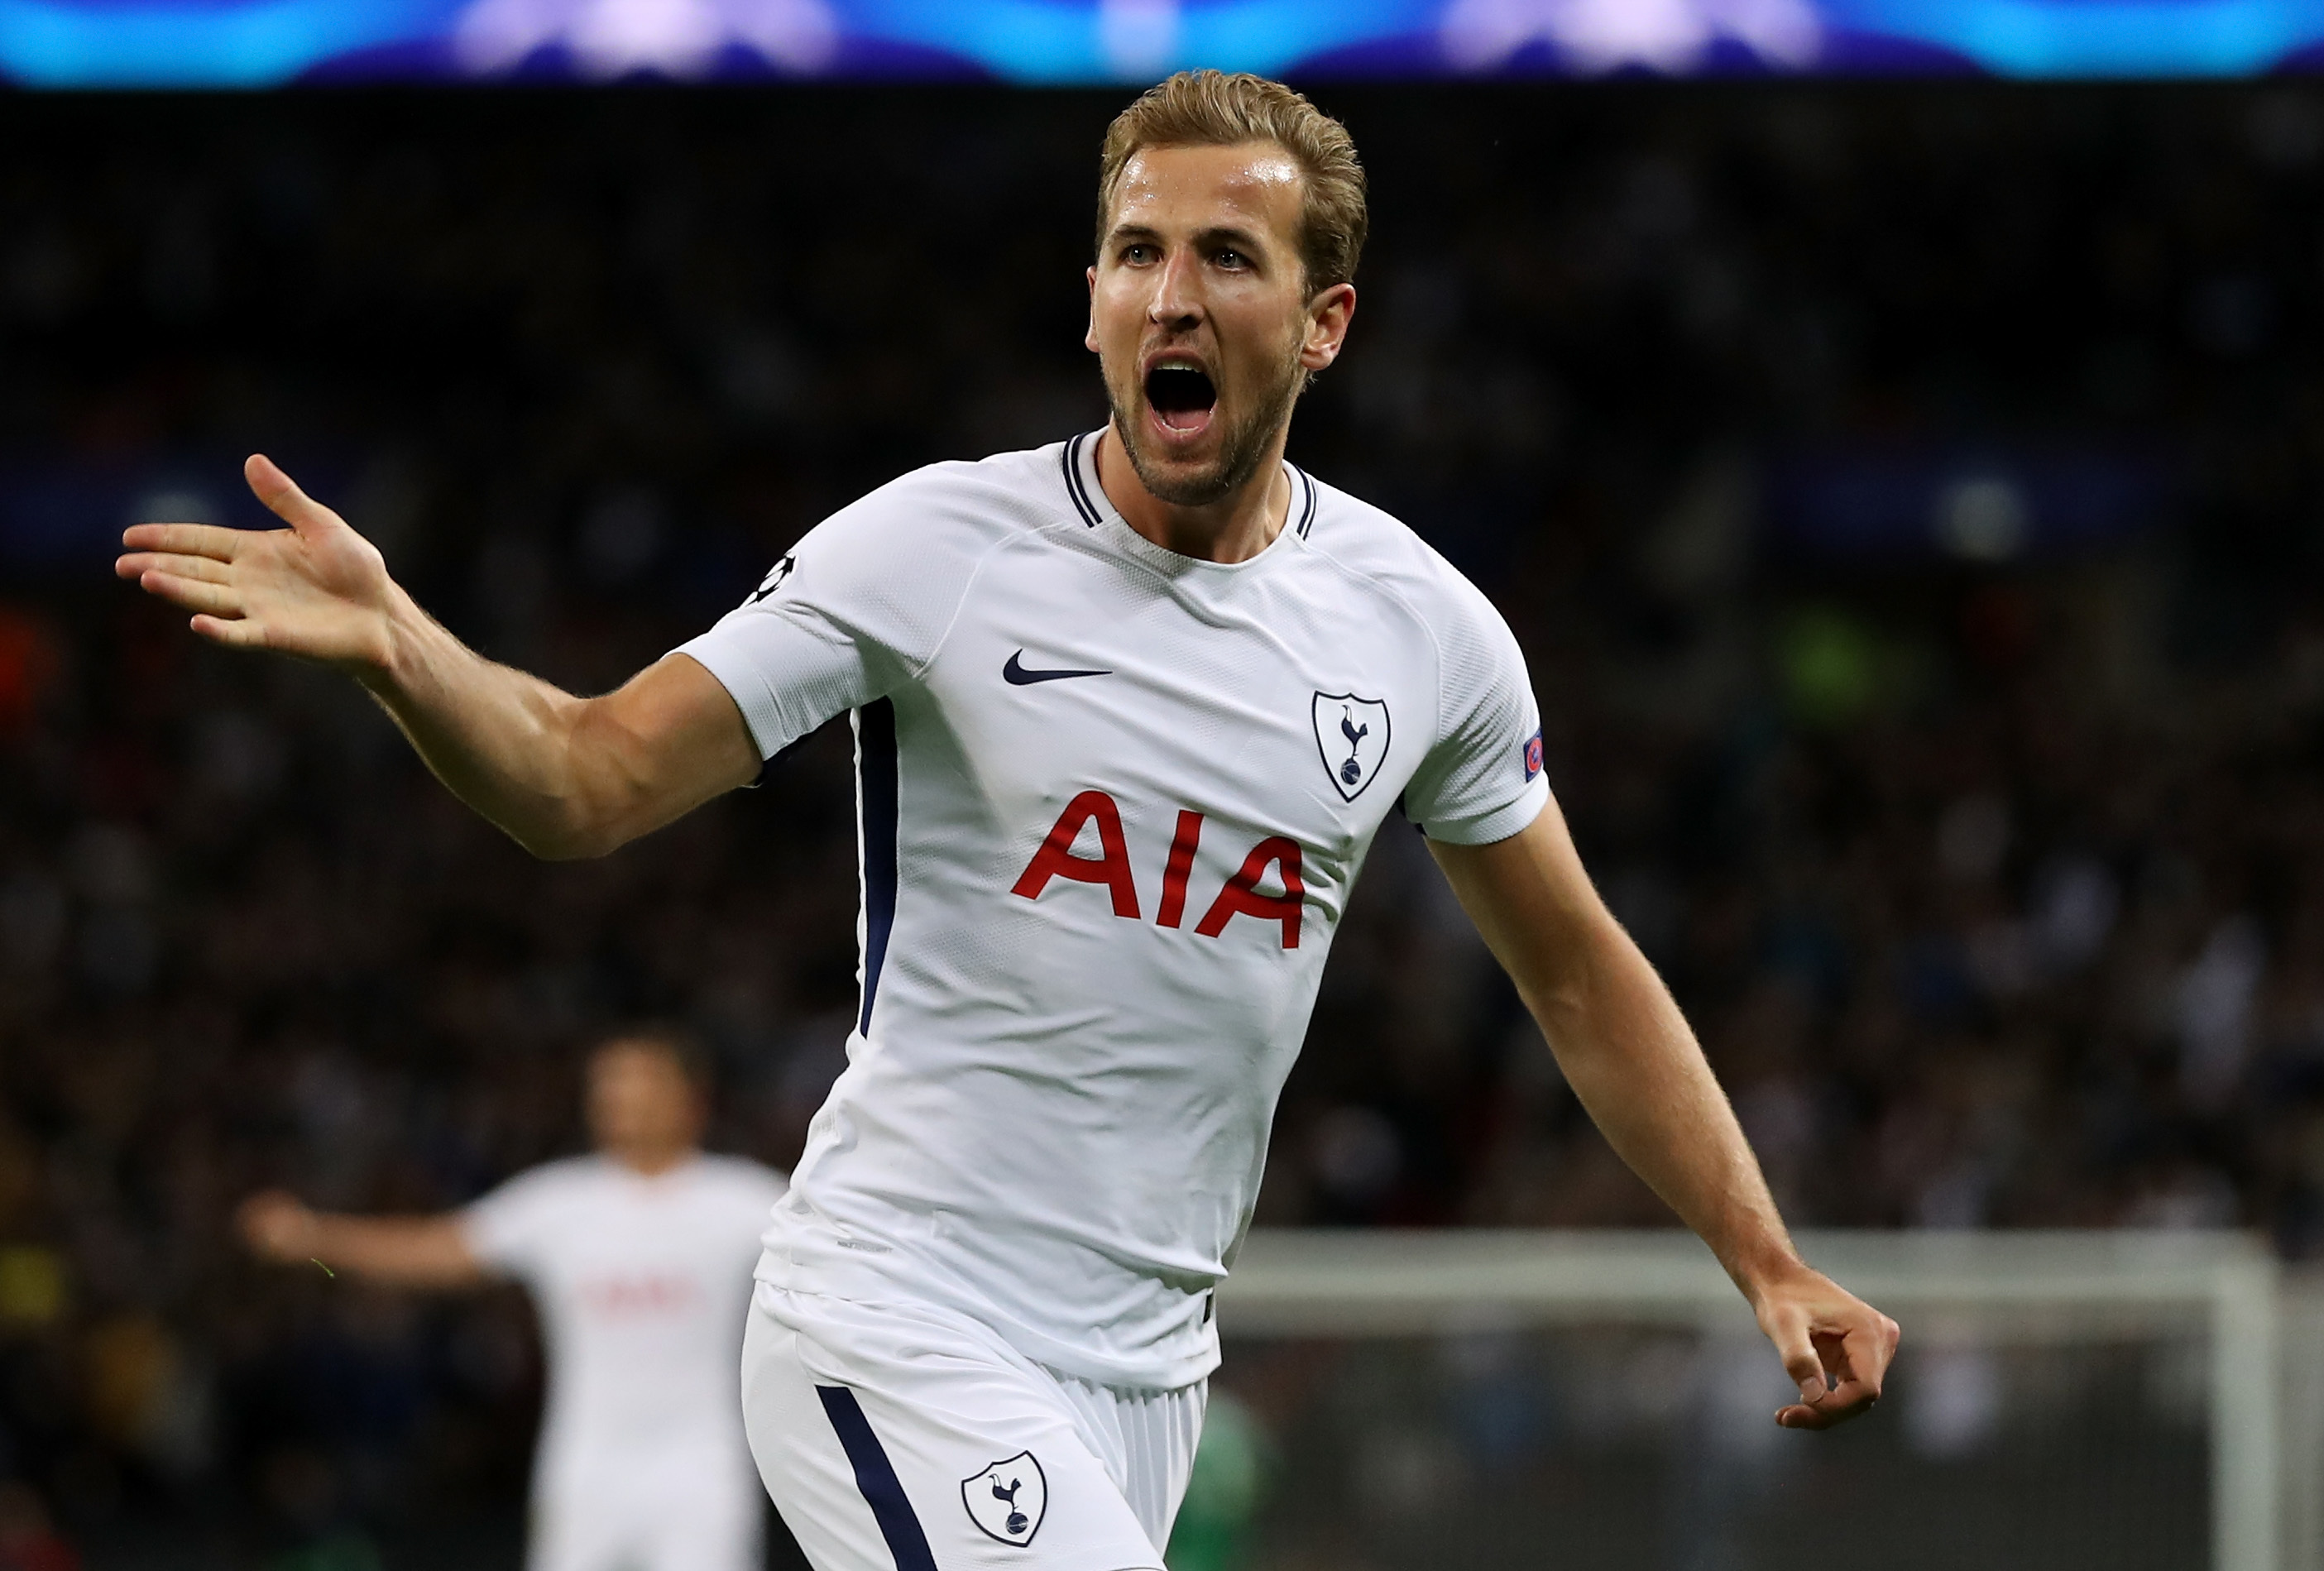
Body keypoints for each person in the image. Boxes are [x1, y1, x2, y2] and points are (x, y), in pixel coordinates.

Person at [126, 69, 1898, 1571]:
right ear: (1091, 302)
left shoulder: (1421, 628)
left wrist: (1761, 1253)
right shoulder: (940, 552)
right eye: (1137, 254)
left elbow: (1578, 969)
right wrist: (399, 646)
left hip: (1143, 1378)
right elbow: (588, 779)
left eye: (1226, 256)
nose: (1172, 296)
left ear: (1324, 320)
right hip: (893, 1313)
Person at [237, 1032, 782, 1571]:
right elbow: (441, 1250)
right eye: (607, 1085)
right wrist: (315, 1237)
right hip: (587, 1467)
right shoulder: (560, 1202)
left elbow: (845, 1257)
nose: (618, 1099)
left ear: (690, 1096)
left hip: (702, 1468)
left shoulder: (745, 1200)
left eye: (637, 1082)